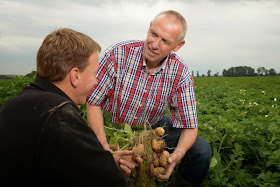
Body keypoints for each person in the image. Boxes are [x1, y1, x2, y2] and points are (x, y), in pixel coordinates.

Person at [86, 10, 212, 186]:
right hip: (112, 125)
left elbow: (190, 126)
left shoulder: (180, 72)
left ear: (178, 45)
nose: (154, 45)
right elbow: (93, 102)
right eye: (153, 34)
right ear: (149, 28)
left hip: (152, 126)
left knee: (202, 151)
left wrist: (178, 154)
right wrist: (104, 146)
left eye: (165, 41)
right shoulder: (119, 54)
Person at [0, 28, 135, 186]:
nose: (96, 81)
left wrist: (103, 160)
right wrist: (111, 169)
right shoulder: (58, 113)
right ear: (75, 76)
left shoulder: (14, 105)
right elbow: (112, 181)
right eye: (94, 74)